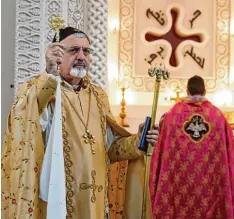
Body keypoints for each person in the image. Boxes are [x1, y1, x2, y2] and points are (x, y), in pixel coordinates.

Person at [1, 27, 159, 219]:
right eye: (74, 50)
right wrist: (50, 74)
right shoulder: (42, 91)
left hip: (96, 201)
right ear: (57, 53)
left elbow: (111, 150)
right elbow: (24, 121)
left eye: (86, 51)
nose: (81, 56)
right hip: (57, 200)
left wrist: (139, 140)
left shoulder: (98, 96)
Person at [149, 75, 234, 219]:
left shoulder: (172, 116)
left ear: (187, 90)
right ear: (205, 91)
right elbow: (230, 155)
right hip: (210, 188)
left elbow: (160, 153)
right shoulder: (218, 117)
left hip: (178, 188)